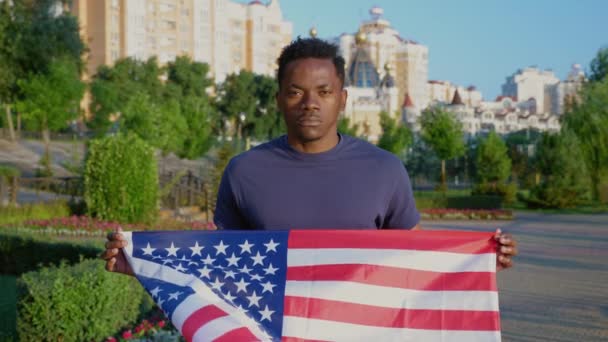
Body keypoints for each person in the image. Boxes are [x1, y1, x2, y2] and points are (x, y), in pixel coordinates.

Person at [102, 37, 517, 275]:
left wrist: (476, 260)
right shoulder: (244, 171)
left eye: (323, 92)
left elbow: (414, 257)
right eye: (297, 91)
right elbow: (221, 262)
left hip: (359, 331)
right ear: (280, 99)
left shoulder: (385, 169)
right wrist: (137, 264)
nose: (310, 104)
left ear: (343, 100)